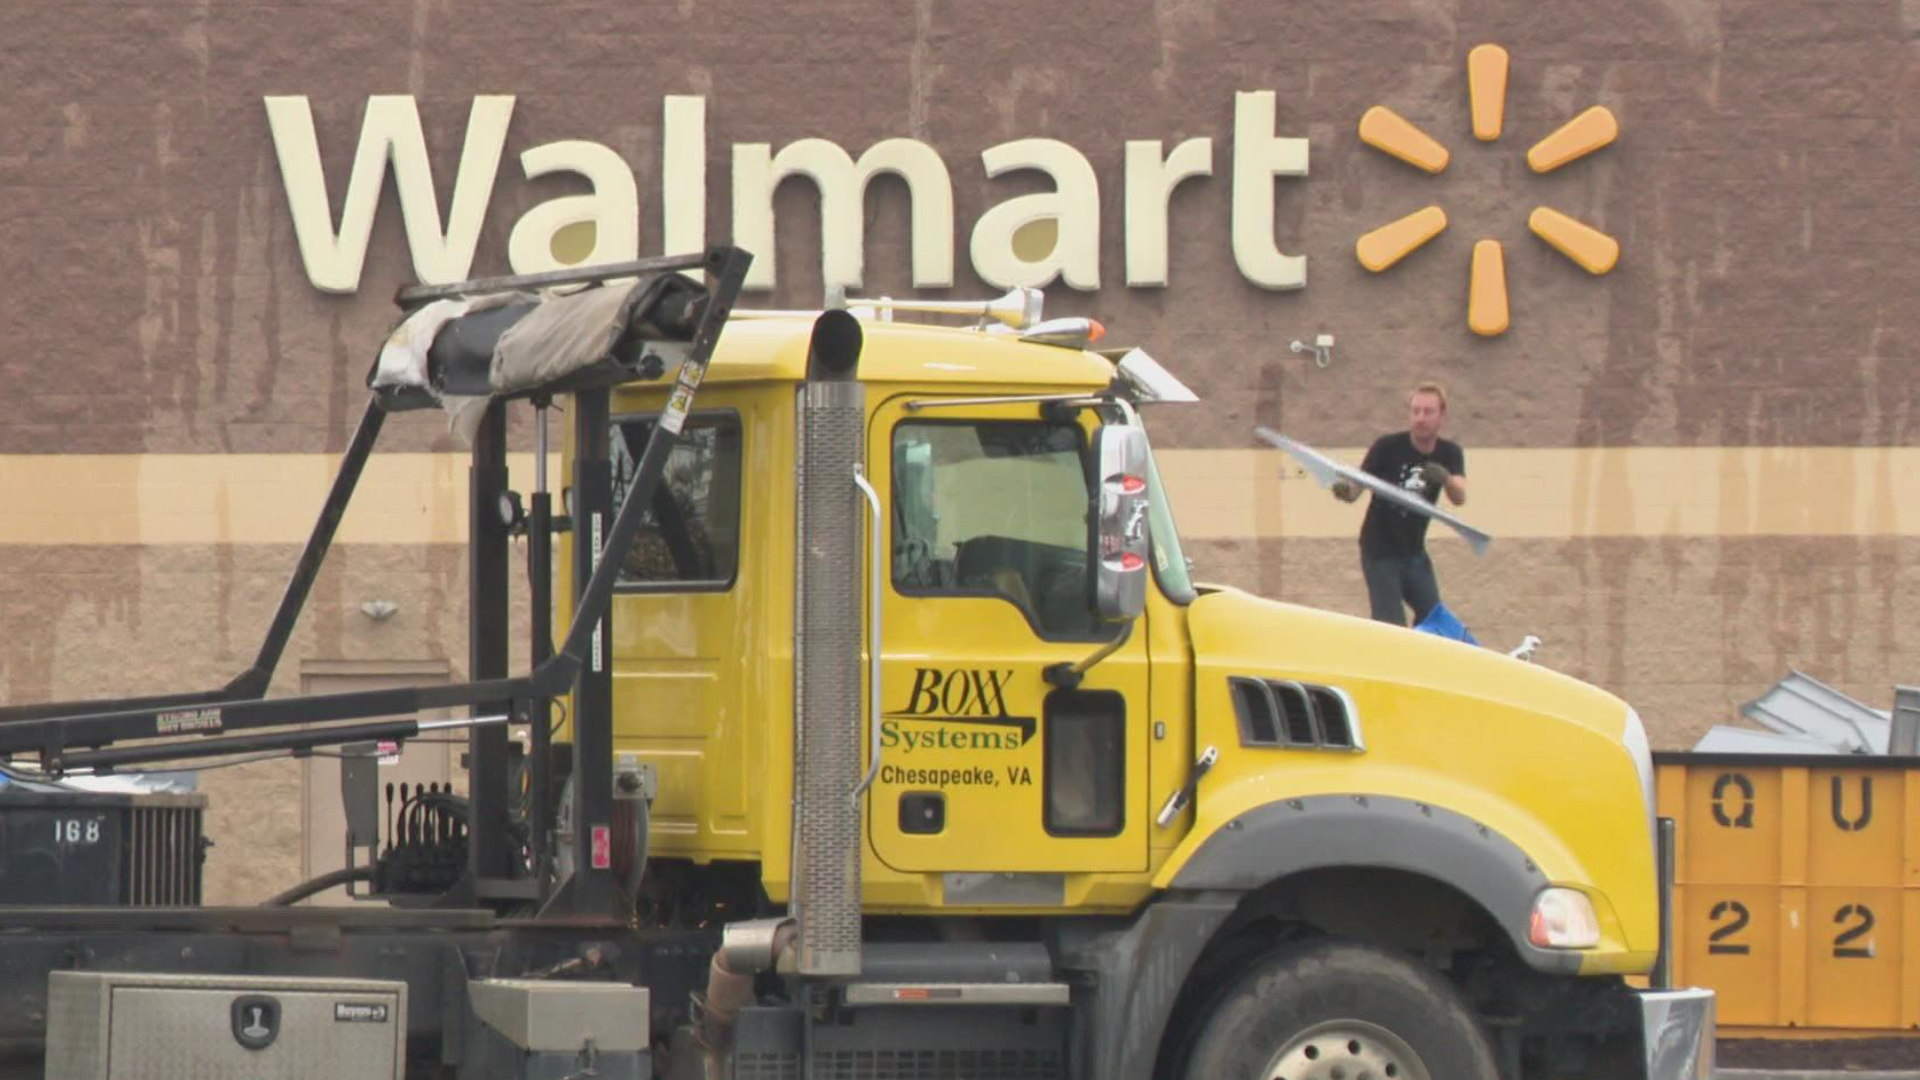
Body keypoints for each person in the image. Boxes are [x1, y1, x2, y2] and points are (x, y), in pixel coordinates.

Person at [1332, 382, 1467, 626]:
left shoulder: (1449, 453)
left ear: (1442, 416)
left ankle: (1423, 663)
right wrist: (1344, 490)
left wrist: (1445, 478)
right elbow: (1356, 489)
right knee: (1391, 624)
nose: (1420, 418)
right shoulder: (1387, 447)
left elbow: (1460, 497)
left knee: (1434, 620)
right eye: (1415, 411)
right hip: (1380, 551)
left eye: (1428, 412)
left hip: (1414, 552)